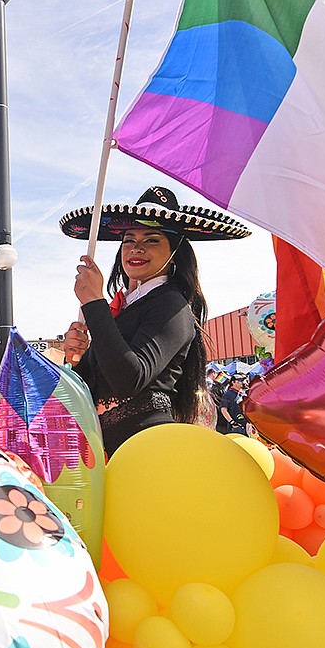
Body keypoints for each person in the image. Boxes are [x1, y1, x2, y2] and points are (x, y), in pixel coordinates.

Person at [59, 186, 250, 456]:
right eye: (128, 239)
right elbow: (90, 390)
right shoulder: (123, 307)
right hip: (106, 452)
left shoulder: (172, 305)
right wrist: (75, 359)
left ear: (174, 251)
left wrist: (93, 302)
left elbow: (129, 378)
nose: (136, 248)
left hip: (150, 451)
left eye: (151, 240)